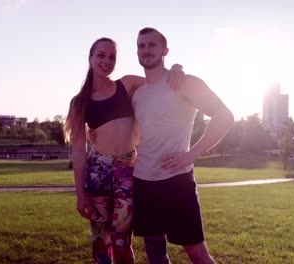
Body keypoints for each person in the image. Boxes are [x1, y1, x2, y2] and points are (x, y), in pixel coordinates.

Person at [65, 37, 184, 264]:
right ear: (90, 58)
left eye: (112, 57)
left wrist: (177, 68)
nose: (106, 61)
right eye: (101, 55)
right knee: (101, 241)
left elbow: (160, 80)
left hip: (128, 170)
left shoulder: (127, 84)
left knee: (122, 242)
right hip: (97, 172)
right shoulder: (80, 102)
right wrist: (80, 196)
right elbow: (79, 151)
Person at [131, 27, 234, 264]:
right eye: (141, 45)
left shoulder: (186, 83)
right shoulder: (138, 93)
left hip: (177, 182)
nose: (146, 50)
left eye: (152, 45)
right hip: (144, 182)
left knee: (198, 255)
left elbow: (225, 117)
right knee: (156, 256)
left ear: (165, 50)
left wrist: (192, 154)